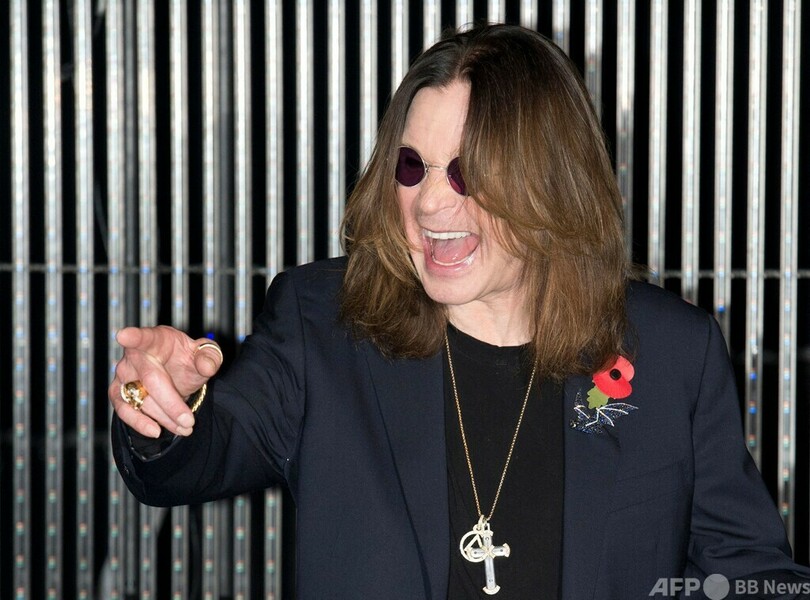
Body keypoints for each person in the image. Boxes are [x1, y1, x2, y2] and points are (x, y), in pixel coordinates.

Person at [110, 24, 810, 599]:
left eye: (468, 172)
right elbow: (198, 456)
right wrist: (163, 404)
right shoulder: (321, 323)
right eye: (412, 166)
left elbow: (749, 575)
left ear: (550, 182)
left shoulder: (670, 351)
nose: (430, 203)